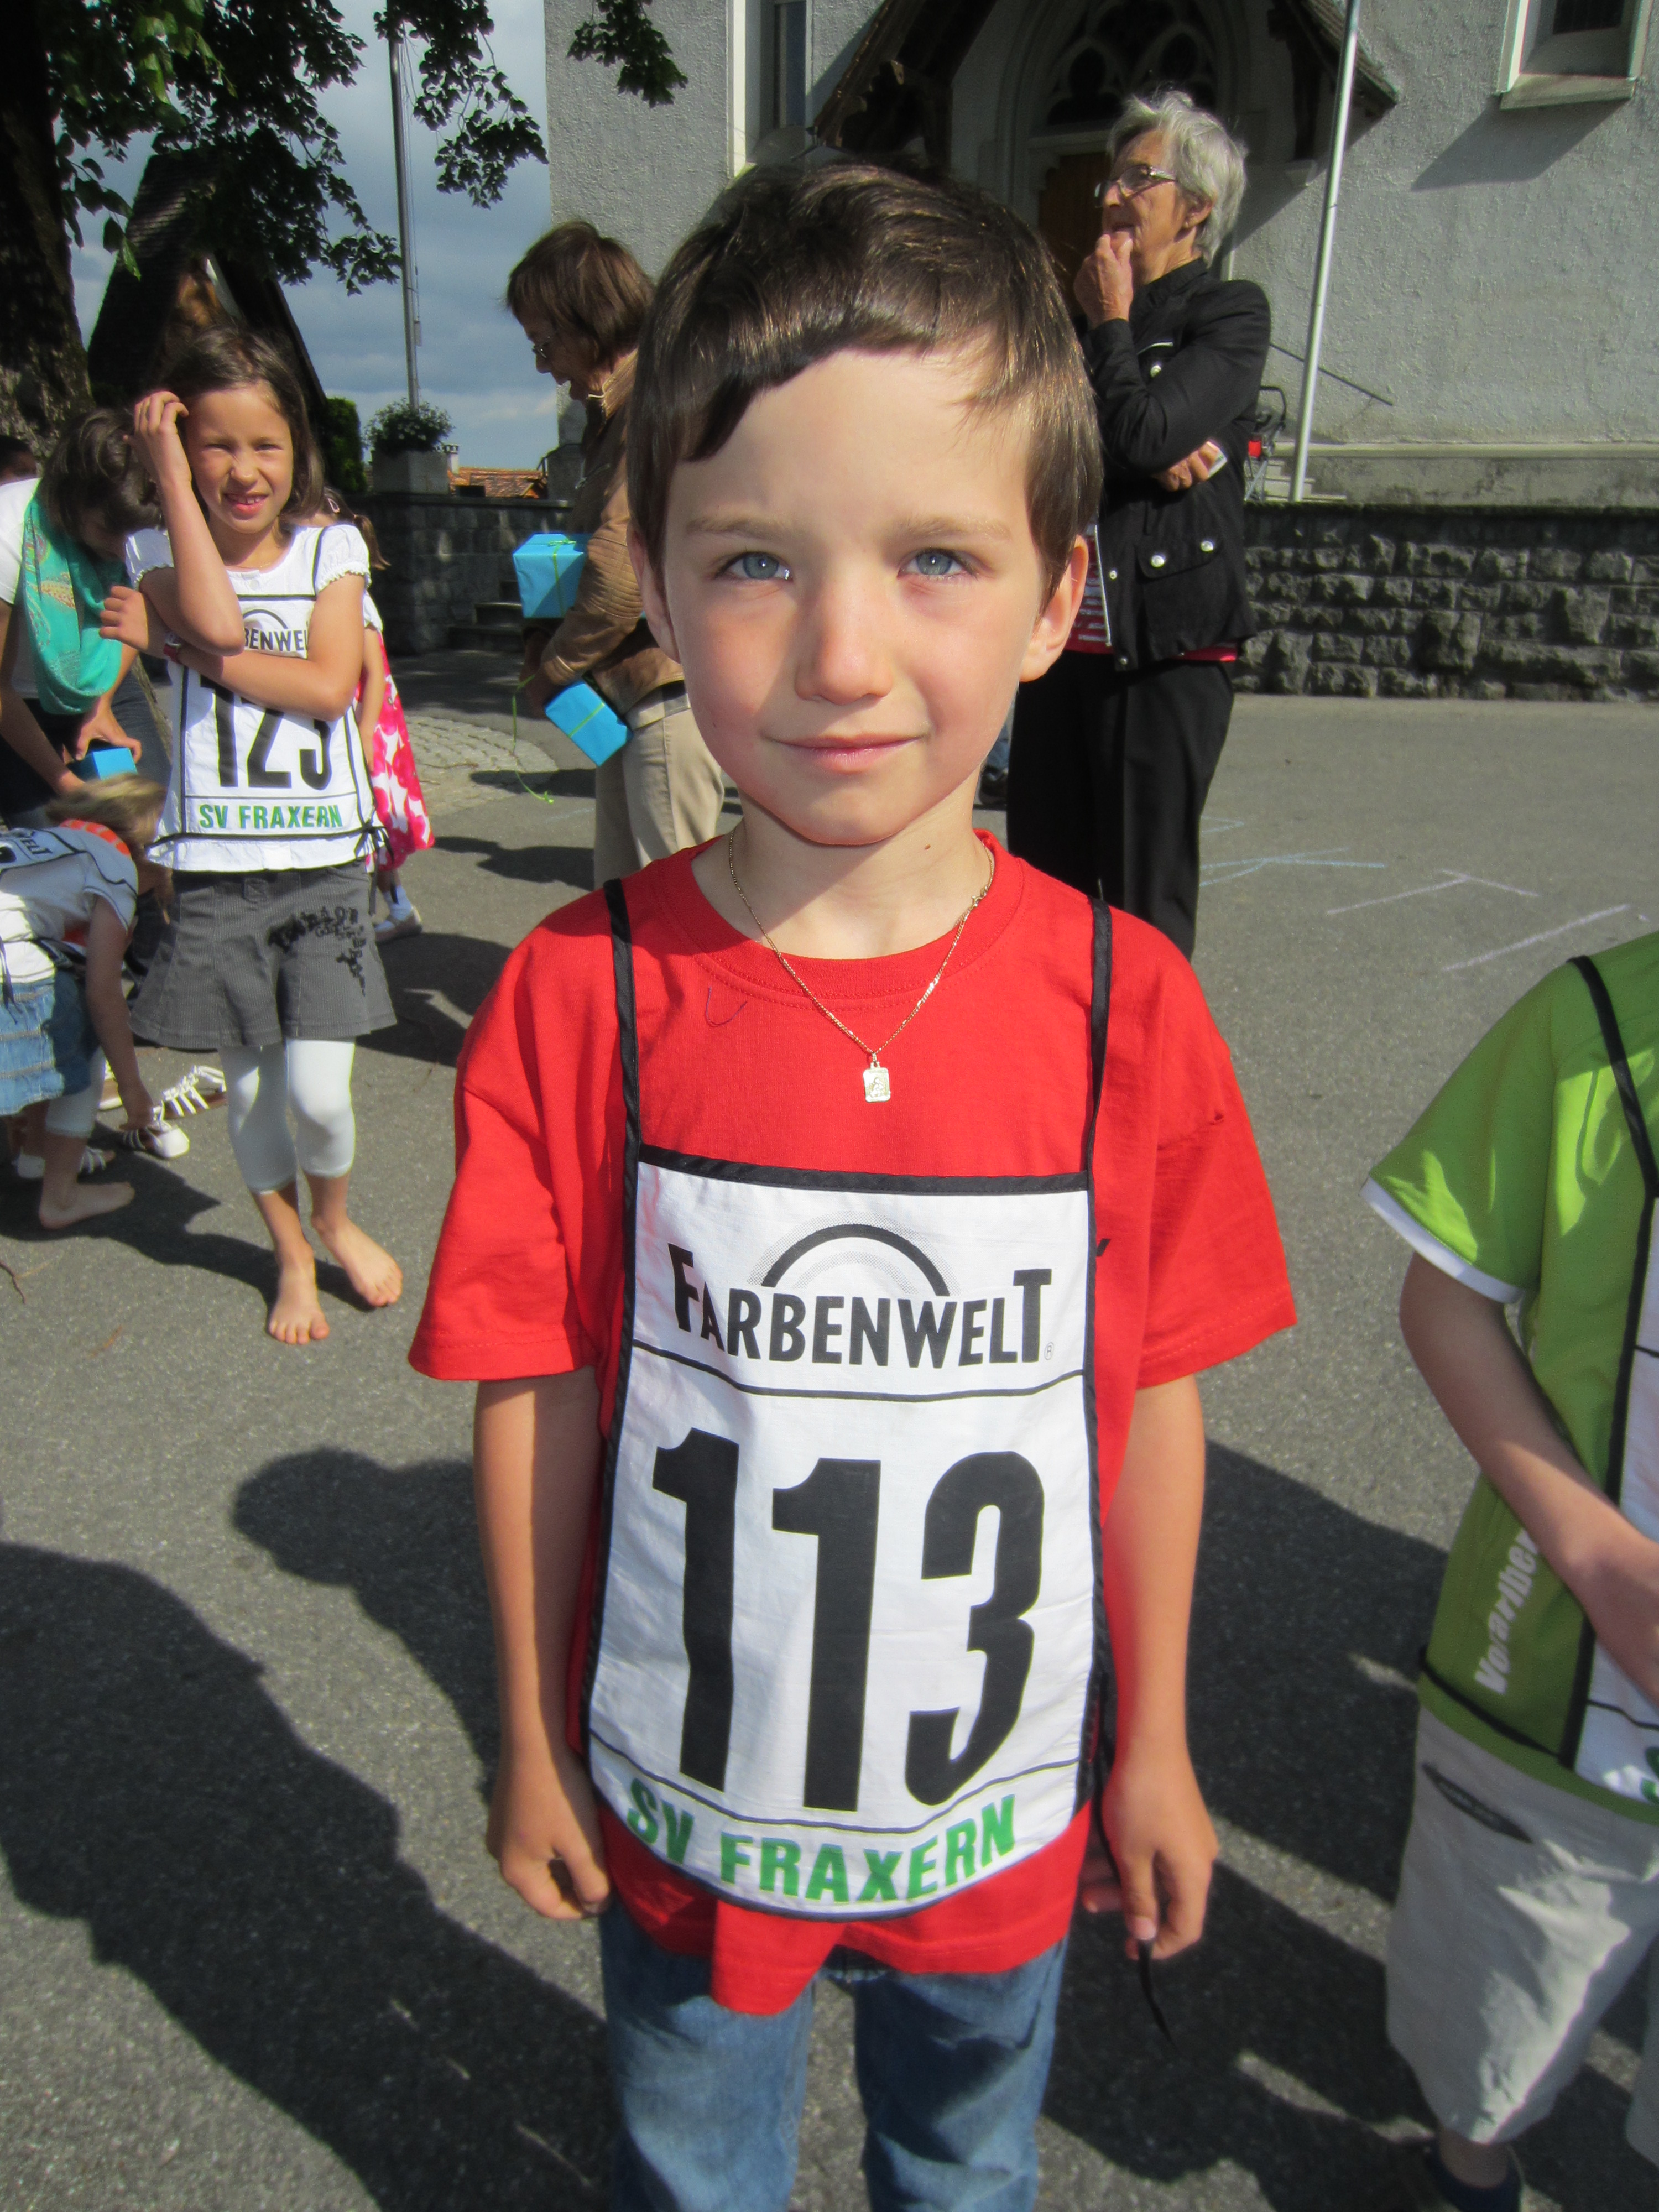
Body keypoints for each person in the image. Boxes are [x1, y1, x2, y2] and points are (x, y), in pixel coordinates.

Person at [410, 161, 1296, 2212]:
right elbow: (537, 1394)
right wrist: (528, 1728)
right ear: (652, 573)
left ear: (1059, 592)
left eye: (933, 558)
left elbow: (1148, 1396)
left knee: (963, 2162)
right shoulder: (575, 995)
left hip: (996, 1825)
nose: (837, 651)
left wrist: (1154, 1737)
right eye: (749, 560)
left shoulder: (1128, 1006)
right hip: (685, 1815)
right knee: (691, 2162)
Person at [1365, 935, 1659, 2211]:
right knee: (1495, 2005)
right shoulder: (1594, 1020)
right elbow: (1444, 1299)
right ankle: (1466, 2160)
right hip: (1555, 1680)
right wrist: (1600, 1556)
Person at [101, 332, 403, 1346]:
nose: (244, 470)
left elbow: (323, 686)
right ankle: (290, 1256)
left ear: (297, 447)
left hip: (324, 864)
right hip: (217, 871)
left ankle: (336, 1219)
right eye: (214, 446)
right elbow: (223, 619)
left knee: (320, 1094)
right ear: (182, 454)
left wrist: (175, 650)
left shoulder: (332, 549)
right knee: (254, 1095)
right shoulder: (154, 554)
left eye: (266, 445)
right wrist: (165, 476)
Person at [1008, 89, 1268, 961]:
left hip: (1164, 649)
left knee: (1144, 907)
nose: (1113, 196)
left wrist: (1115, 328)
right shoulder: (1071, 325)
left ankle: (1145, 1051)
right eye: (1110, 181)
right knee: (1043, 892)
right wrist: (1141, 434)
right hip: (1060, 643)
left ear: (1195, 207)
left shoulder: (1227, 314)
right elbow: (1032, 445)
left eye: (1138, 179)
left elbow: (1143, 433)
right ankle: (1054, 1046)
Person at [505, 221, 726, 884]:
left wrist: (553, 668)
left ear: (589, 321)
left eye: (544, 341)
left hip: (666, 700)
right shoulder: (620, 414)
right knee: (626, 905)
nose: (542, 365)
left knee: (676, 912)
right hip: (633, 701)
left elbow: (619, 573)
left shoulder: (654, 407)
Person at [0, 776, 163, 1228]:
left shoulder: (49, 839)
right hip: (9, 967)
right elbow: (103, 991)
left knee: (58, 1033)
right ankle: (61, 1198)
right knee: (85, 1042)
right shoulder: (116, 867)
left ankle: (36, 1157)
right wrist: (131, 1087)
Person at [0, 411, 160, 826]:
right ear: (70, 503)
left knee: (150, 823)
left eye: (133, 537)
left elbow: (142, 609)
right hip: (13, 704)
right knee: (58, 841)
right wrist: (69, 786)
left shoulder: (146, 520)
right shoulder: (7, 532)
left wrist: (100, 704)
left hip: (100, 680)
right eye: (109, 532)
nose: (124, 551)